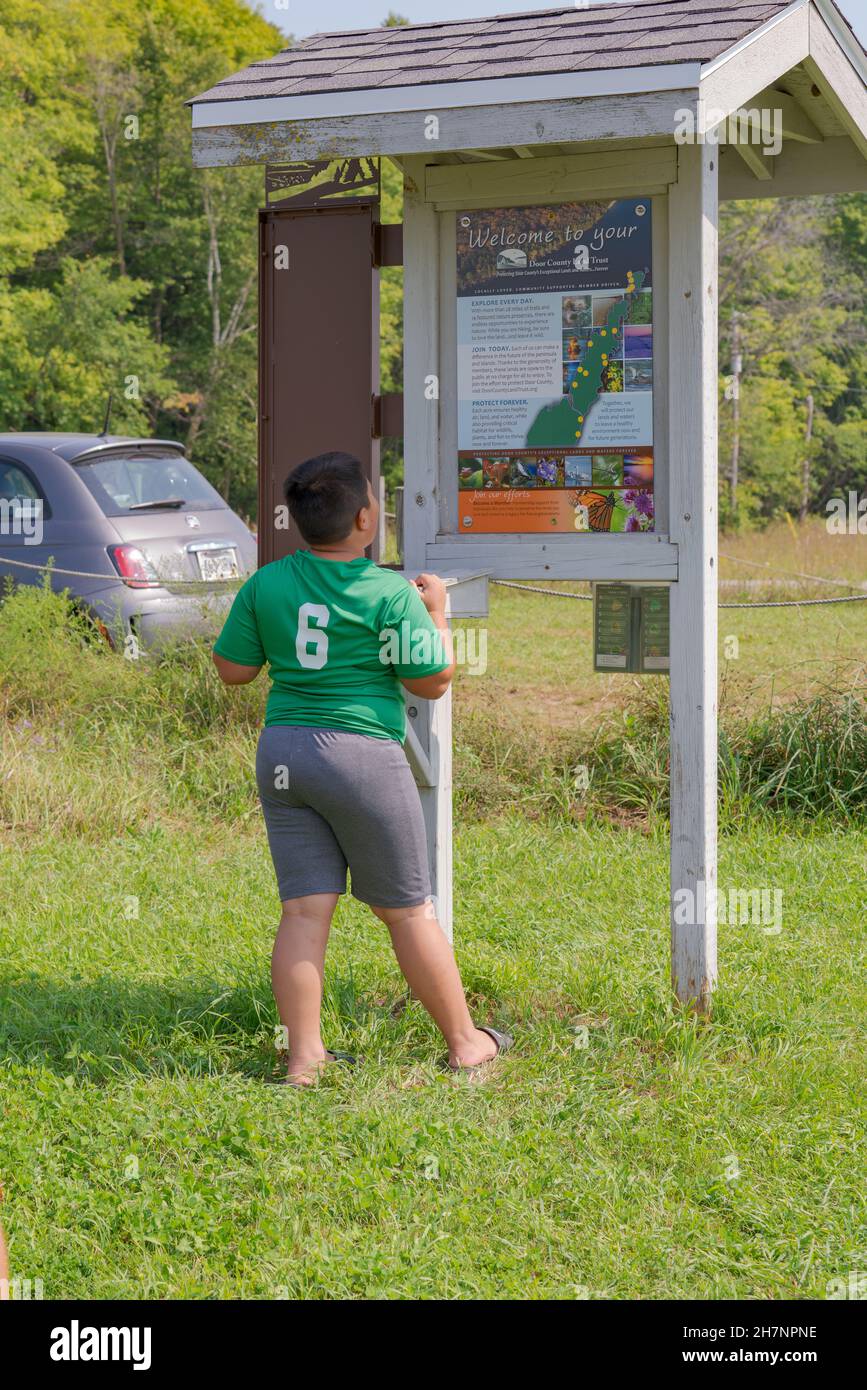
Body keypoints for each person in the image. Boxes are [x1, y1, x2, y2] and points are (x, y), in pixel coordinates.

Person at [213, 451, 511, 1087]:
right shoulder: (388, 594)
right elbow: (431, 682)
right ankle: (466, 1043)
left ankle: (304, 1059)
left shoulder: (265, 583)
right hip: (361, 758)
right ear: (367, 517)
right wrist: (437, 614)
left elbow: (234, 671)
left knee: (302, 913)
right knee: (408, 911)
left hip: (284, 754)